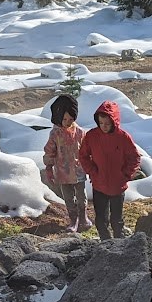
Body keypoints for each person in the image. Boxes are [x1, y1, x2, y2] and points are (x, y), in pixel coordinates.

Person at [77, 99, 143, 240]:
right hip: (99, 184)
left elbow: (134, 157)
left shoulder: (123, 137)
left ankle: (119, 243)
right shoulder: (92, 136)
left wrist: (125, 174)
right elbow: (83, 156)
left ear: (114, 121)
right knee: (101, 220)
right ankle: (105, 243)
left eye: (107, 123)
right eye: (101, 123)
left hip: (117, 186)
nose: (104, 126)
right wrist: (93, 171)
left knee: (117, 220)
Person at [42, 94, 88, 233]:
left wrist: (91, 166)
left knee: (81, 196)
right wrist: (49, 169)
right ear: (58, 117)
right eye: (64, 119)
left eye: (71, 119)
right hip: (63, 171)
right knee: (68, 197)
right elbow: (50, 152)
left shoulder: (80, 132)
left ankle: (83, 217)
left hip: (78, 170)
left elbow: (86, 150)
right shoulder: (55, 134)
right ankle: (73, 220)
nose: (68, 122)